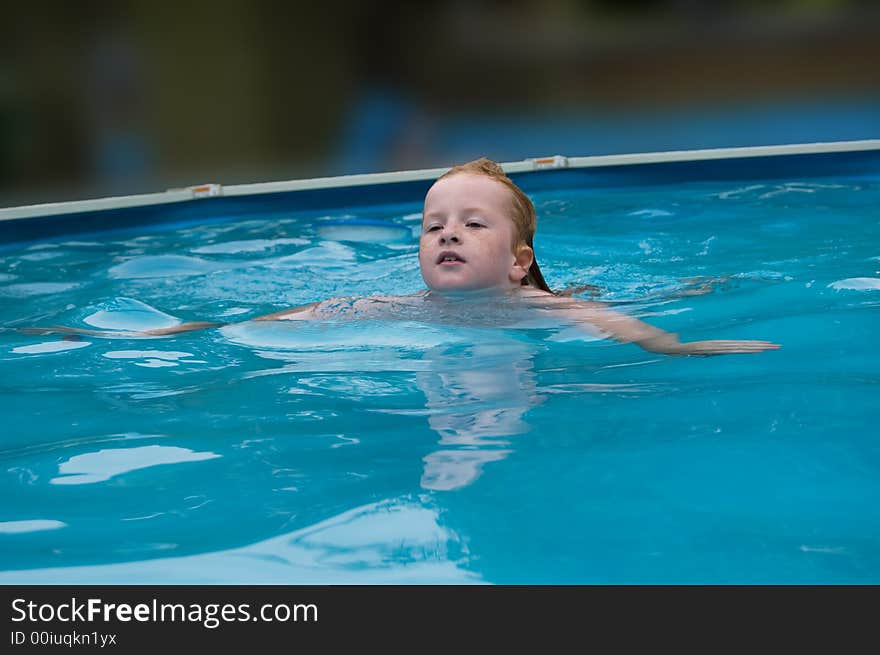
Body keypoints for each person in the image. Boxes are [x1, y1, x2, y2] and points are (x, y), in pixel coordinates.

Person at [24, 157, 780, 356]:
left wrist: (695, 345)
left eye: (472, 225)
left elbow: (641, 335)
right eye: (432, 226)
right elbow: (262, 320)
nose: (447, 233)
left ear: (519, 261)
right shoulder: (389, 309)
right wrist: (142, 335)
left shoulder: (554, 306)